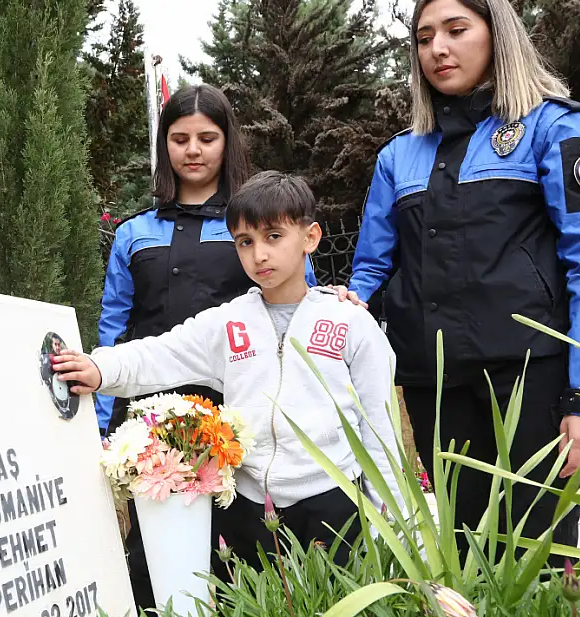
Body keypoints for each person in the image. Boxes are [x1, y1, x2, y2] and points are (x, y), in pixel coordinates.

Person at [334, 0, 580, 561]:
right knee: (465, 557)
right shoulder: (399, 156)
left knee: (540, 560)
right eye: (423, 37)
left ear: (497, 34)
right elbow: (371, 266)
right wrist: (348, 303)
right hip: (436, 386)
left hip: (533, 382)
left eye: (456, 29)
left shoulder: (556, 128)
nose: (437, 48)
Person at [59, 171, 402, 573]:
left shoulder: (350, 324)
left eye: (274, 236)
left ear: (310, 237)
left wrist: (396, 526)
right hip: (249, 510)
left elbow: (379, 432)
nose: (259, 254)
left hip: (333, 503)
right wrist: (99, 367)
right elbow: (160, 354)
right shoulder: (229, 323)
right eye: (245, 242)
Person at [95, 85, 316, 609]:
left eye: (207, 138)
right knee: (156, 547)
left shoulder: (250, 229)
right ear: (164, 147)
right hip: (150, 420)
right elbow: (114, 328)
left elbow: (296, 301)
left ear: (227, 142)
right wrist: (104, 422)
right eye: (179, 139)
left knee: (240, 543)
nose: (193, 150)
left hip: (239, 411)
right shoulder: (134, 233)